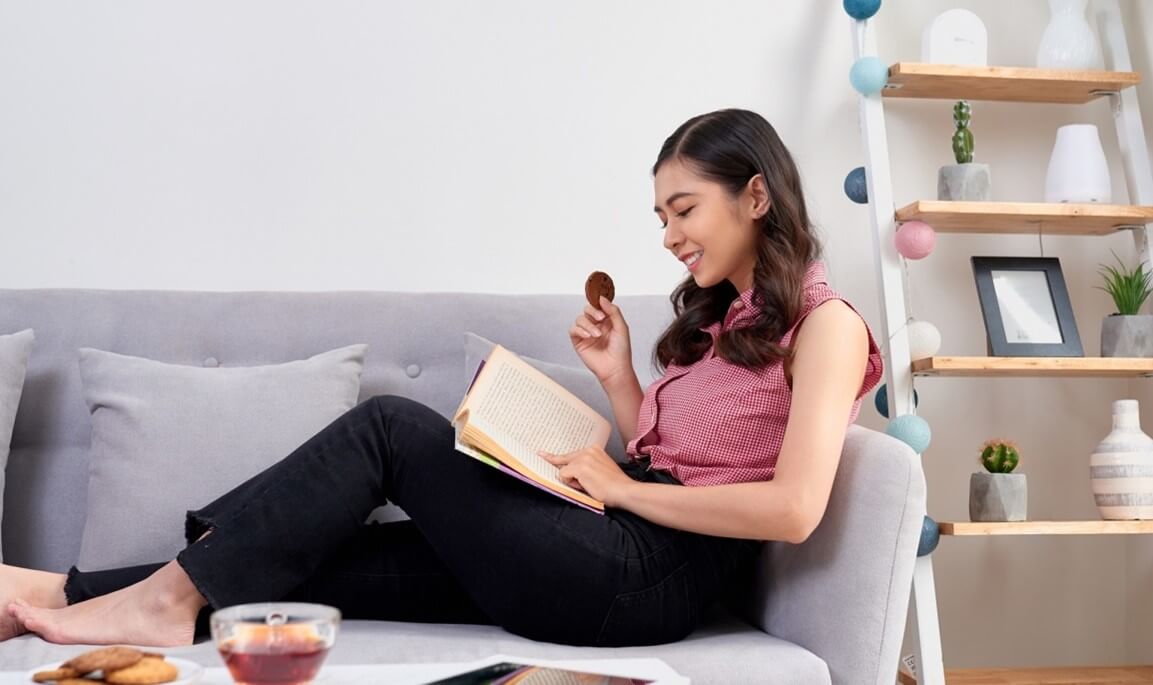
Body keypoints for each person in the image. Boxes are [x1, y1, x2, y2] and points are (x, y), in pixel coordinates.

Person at [1, 108, 882, 648]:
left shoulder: (827, 325)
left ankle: (159, 601)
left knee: (391, 425)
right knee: (345, 558)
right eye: (659, 215)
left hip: (647, 577)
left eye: (682, 209)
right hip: (614, 544)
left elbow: (791, 508)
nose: (667, 236)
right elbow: (670, 451)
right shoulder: (728, 321)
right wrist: (617, 379)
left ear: (755, 197)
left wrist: (621, 488)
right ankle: (58, 592)